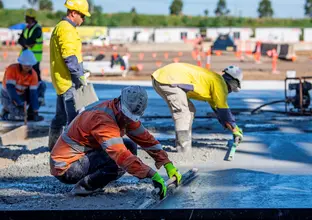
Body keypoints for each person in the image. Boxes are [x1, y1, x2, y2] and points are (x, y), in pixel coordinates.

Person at [50, 86, 182, 198]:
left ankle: (97, 179)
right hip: (67, 168)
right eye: (127, 116)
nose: (128, 120)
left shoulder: (121, 113)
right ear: (120, 104)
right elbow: (121, 155)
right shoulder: (103, 119)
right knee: (120, 159)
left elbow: (146, 139)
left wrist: (167, 163)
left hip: (80, 158)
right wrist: (152, 174)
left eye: (131, 118)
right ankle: (85, 187)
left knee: (130, 146)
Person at [151, 63, 244, 153]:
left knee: (190, 110)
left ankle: (184, 141)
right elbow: (224, 110)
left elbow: (220, 111)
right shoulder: (220, 84)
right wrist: (235, 129)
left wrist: (234, 127)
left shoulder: (215, 82)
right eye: (233, 88)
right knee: (183, 113)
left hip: (163, 78)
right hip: (169, 80)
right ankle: (183, 149)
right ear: (233, 82)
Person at [48, 0, 91, 150]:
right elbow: (69, 57)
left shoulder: (63, 27)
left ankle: (53, 146)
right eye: (82, 16)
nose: (84, 19)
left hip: (62, 80)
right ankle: (71, 149)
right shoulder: (66, 29)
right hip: (68, 81)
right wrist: (79, 76)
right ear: (73, 13)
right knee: (74, 119)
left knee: (60, 117)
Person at [0, 50, 44, 122]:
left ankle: (30, 113)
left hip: (21, 95)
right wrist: (19, 103)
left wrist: (35, 111)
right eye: (25, 65)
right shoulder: (12, 69)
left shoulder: (33, 74)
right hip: (7, 96)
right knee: (18, 117)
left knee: (42, 86)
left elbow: (33, 94)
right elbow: (10, 89)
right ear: (21, 63)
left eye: (29, 65)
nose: (27, 67)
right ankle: (5, 113)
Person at [18, 8, 46, 107]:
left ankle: (40, 97)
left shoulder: (37, 29)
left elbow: (30, 41)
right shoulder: (26, 28)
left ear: (30, 17)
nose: (25, 18)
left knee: (36, 78)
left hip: (35, 58)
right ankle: (28, 97)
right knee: (26, 77)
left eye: (26, 16)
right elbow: (20, 40)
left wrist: (26, 42)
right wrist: (27, 43)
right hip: (25, 58)